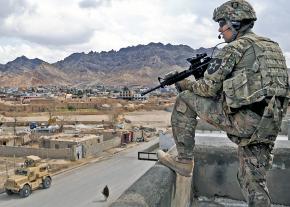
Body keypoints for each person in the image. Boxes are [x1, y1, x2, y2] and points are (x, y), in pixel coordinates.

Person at [157, 0, 289, 206]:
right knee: (254, 182)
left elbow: (207, 89)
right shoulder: (273, 48)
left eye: (222, 23)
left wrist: (184, 83)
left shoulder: (235, 48)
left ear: (235, 23)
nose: (220, 29)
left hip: (246, 122)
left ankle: (183, 161)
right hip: (269, 124)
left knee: (185, 99)